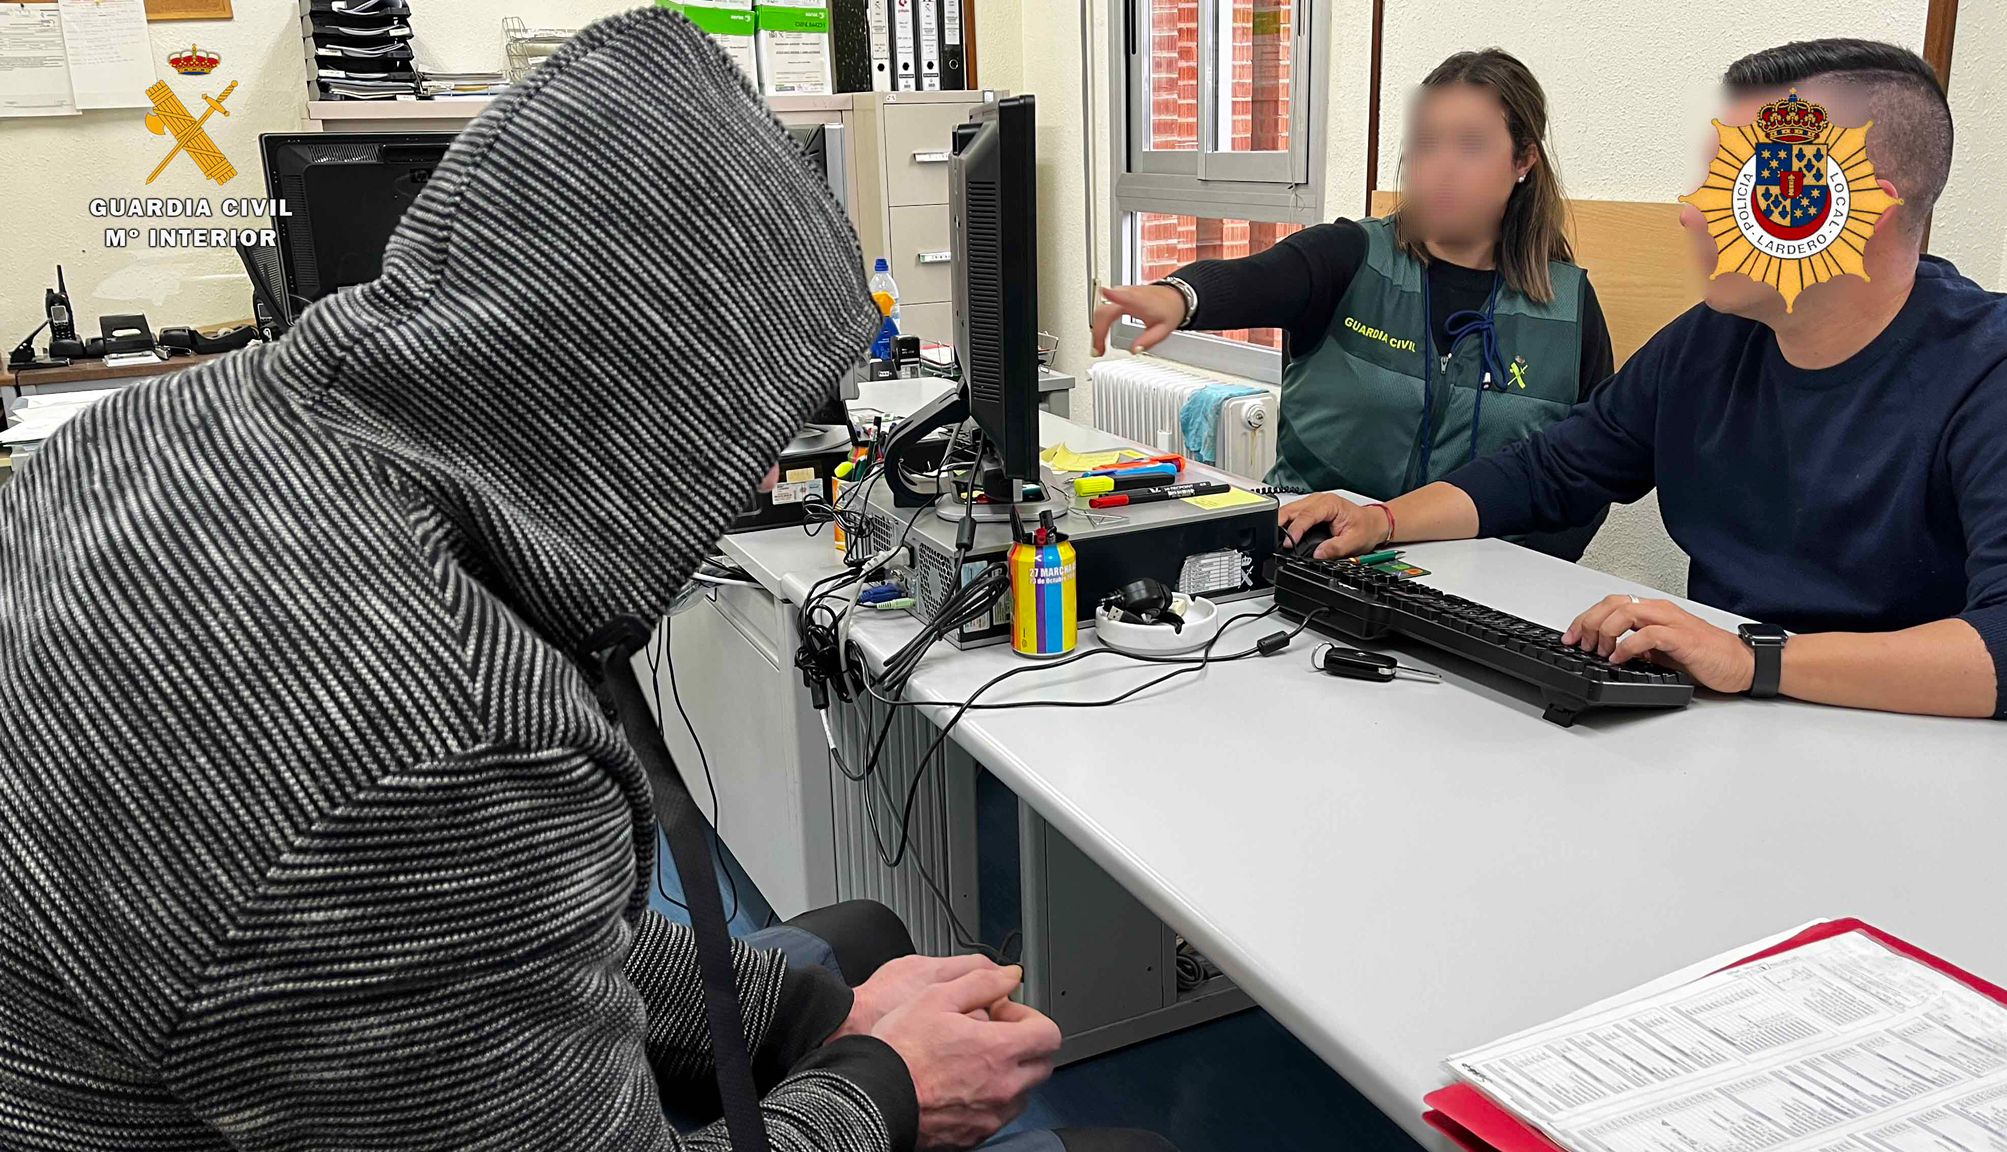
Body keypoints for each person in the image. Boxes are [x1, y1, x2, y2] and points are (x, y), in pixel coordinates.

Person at [0, 11, 1171, 1152]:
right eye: (759, 423)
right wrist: (890, 1091)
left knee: (847, 948)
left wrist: (817, 1024)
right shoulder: (440, 739)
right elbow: (447, 891)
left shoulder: (150, 428)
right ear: (658, 401)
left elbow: (489, 944)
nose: (762, 466)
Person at [1279, 38, 2007, 720]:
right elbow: (1554, 469)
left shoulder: (2005, 374)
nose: (1692, 212)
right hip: (1732, 719)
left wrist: (1753, 661)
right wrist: (1384, 520)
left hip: (1905, 753)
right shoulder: (1714, 341)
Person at [1091, 48, 1614, 561]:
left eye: (1471, 146)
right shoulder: (1353, 256)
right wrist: (1180, 296)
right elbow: (1264, 276)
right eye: (1427, 144)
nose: (1443, 167)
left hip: (1477, 583)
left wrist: (1529, 571)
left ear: (1523, 160)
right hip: (1316, 552)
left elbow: (1586, 475)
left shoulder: (1567, 308)